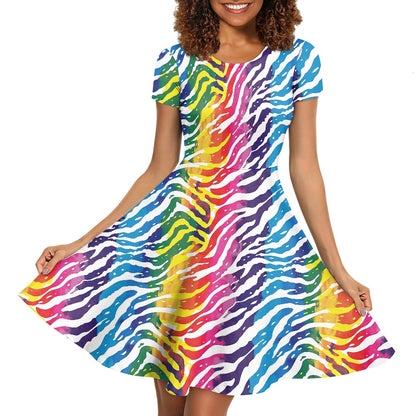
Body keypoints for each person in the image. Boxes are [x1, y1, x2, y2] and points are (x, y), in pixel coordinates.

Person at [18, 1, 395, 415]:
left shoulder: (298, 59)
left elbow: (304, 167)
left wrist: (339, 270)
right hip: (179, 243)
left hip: (249, 249)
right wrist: (82, 242)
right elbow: (160, 166)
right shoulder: (176, 61)